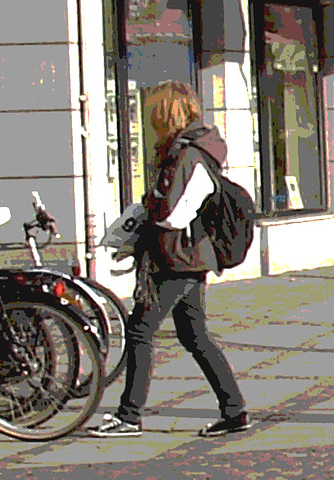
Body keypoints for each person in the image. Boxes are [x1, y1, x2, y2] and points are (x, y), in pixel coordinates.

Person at [89, 81, 251, 438]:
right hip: (186, 256)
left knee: (140, 330)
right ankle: (234, 410)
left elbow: (173, 214)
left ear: (165, 113)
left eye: (153, 113)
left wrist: (148, 210)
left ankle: (129, 416)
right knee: (194, 336)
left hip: (177, 258)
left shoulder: (188, 154)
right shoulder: (192, 150)